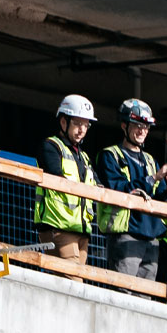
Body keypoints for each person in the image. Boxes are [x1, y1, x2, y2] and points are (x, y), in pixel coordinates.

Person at [99, 98, 167, 279]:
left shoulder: (150, 160)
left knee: (145, 292)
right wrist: (153, 178)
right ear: (124, 126)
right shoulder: (111, 156)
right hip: (126, 233)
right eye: (137, 125)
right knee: (123, 288)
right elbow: (119, 189)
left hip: (151, 236)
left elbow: (156, 197)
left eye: (146, 127)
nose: (142, 131)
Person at [36, 94, 100, 260]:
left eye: (86, 125)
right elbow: (57, 177)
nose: (82, 130)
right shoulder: (51, 146)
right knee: (73, 275)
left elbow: (98, 186)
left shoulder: (84, 158)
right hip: (58, 226)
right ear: (64, 122)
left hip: (81, 230)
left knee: (78, 275)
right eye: (77, 123)